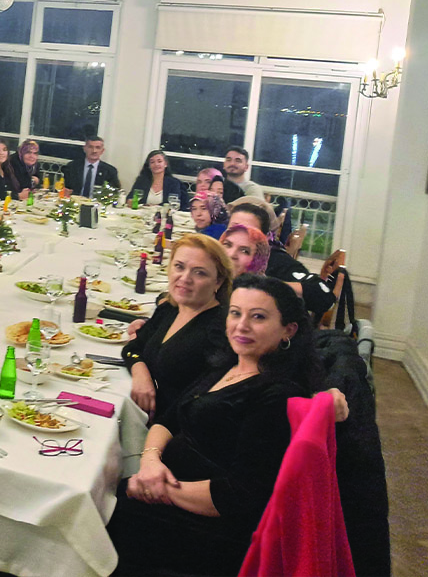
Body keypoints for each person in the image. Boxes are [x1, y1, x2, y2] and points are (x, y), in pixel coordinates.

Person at [107, 275, 321, 576]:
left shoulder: (277, 395)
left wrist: (159, 488)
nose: (241, 325)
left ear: (288, 330)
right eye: (235, 313)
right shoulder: (229, 365)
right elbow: (169, 419)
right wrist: (150, 460)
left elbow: (239, 495)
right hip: (165, 486)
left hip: (206, 531)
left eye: (258, 317)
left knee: (100, 505)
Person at [121, 234, 234, 418]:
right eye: (179, 267)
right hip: (143, 415)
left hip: (168, 432)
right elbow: (132, 348)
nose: (185, 278)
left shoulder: (219, 332)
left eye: (199, 272)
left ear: (218, 282)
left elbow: (194, 404)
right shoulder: (170, 309)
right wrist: (140, 372)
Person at [226, 197, 336, 318]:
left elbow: (323, 296)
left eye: (248, 230)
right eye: (234, 228)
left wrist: (263, 285)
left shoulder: (274, 259)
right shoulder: (219, 253)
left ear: (264, 238)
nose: (239, 235)